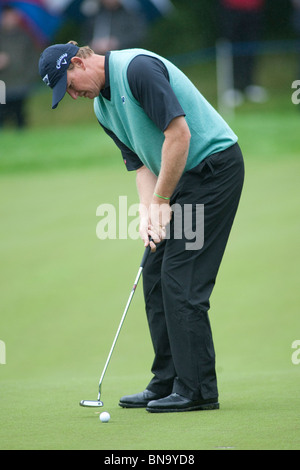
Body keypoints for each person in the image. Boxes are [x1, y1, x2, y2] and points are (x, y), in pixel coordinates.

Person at [39, 41, 245, 413]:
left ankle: (198, 389)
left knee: (181, 276)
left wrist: (163, 202)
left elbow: (178, 135)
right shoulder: (103, 109)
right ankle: (167, 381)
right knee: (154, 273)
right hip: (178, 176)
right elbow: (141, 165)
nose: (72, 96)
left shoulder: (137, 70)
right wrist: (149, 214)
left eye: (68, 85)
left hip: (213, 171)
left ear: (78, 61)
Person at [218, 0, 268, 106]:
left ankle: (249, 84)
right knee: (232, 48)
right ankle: (232, 86)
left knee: (251, 47)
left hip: (253, 8)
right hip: (231, 8)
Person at [0, 6, 39, 129]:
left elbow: (33, 59)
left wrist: (28, 77)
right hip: (2, 83)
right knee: (2, 111)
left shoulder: (25, 37)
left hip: (20, 82)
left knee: (19, 114)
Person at [80, 0, 147, 55]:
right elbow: (86, 34)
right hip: (96, 56)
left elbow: (138, 34)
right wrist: (91, 44)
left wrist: (117, 42)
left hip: (121, 56)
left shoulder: (129, 13)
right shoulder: (94, 13)